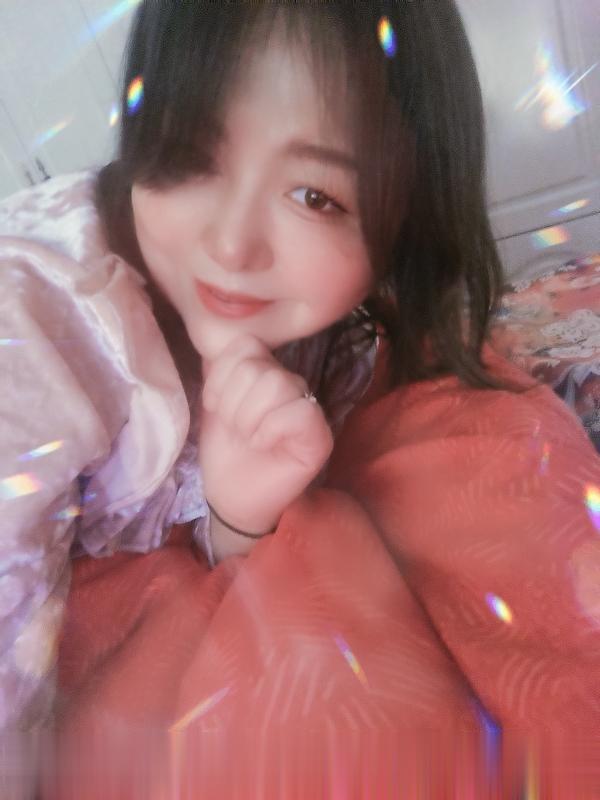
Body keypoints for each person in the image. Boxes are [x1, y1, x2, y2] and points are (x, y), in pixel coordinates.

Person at [1, 2, 600, 796]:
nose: (231, 244)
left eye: (315, 196)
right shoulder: (32, 327)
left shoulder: (335, 340)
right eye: (191, 152)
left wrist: (236, 518)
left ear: (404, 227)